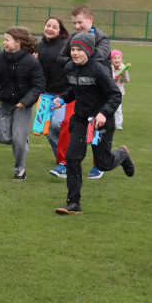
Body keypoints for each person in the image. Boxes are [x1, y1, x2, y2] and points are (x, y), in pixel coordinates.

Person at [53, 31, 134, 215]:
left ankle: (122, 154)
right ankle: (73, 203)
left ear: (88, 51)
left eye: (78, 50)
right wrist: (62, 99)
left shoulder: (99, 70)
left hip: (101, 122)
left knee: (104, 163)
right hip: (81, 120)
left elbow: (114, 95)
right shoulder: (69, 68)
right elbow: (74, 90)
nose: (74, 53)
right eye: (72, 49)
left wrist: (104, 113)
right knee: (72, 158)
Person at [0, 27, 45, 180]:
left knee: (18, 140)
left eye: (7, 39)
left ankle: (19, 170)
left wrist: (25, 102)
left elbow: (39, 85)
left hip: (23, 104)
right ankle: (22, 139)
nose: (3, 42)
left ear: (17, 42)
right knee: (3, 138)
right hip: (4, 102)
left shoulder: (32, 62)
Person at [60, 6, 111, 179]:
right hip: (79, 86)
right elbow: (61, 57)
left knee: (100, 143)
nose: (76, 27)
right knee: (70, 127)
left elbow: (99, 58)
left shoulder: (101, 38)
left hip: (100, 92)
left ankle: (100, 164)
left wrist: (82, 61)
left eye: (80, 22)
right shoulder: (74, 38)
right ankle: (66, 164)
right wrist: (76, 61)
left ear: (90, 19)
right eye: (74, 23)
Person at [35, 16, 72, 178]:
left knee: (58, 123)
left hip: (63, 93)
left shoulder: (65, 45)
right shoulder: (39, 45)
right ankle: (62, 159)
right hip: (45, 94)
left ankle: (67, 157)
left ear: (60, 30)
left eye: (54, 27)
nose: (50, 29)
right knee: (47, 129)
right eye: (48, 25)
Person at [110, 49, 131, 129]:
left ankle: (119, 124)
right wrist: (115, 77)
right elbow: (109, 80)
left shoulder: (123, 68)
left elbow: (126, 80)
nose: (117, 60)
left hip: (119, 93)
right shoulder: (109, 68)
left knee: (118, 109)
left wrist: (124, 74)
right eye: (115, 58)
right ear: (111, 59)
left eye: (118, 58)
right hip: (109, 92)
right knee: (108, 108)